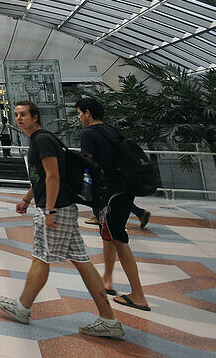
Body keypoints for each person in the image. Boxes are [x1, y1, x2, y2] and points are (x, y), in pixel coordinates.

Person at [0, 101, 125, 340]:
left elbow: (53, 176)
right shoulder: (42, 139)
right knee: (82, 261)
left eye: (24, 115)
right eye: (16, 115)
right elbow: (42, 178)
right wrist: (26, 199)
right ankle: (109, 320)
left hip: (56, 210)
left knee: (41, 258)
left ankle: (22, 307)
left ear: (35, 117)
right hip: (62, 207)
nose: (19, 118)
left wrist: (49, 210)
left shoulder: (41, 140)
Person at [77, 97, 150, 312]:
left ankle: (138, 295)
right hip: (125, 189)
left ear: (88, 113)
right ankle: (107, 280)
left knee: (118, 238)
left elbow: (87, 164)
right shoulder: (110, 131)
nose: (79, 117)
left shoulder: (89, 134)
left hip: (110, 192)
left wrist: (83, 192)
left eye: (80, 113)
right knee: (108, 234)